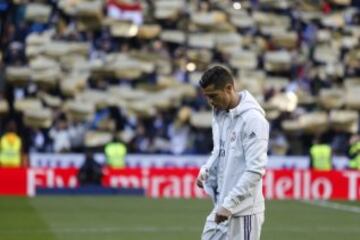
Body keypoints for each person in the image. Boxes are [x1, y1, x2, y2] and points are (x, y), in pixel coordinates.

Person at [196, 66, 269, 240]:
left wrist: (230, 205)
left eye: (213, 95)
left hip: (243, 212)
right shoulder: (220, 114)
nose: (210, 102)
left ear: (229, 88)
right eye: (207, 97)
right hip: (222, 207)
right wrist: (207, 170)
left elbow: (255, 170)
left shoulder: (253, 120)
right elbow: (219, 151)